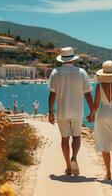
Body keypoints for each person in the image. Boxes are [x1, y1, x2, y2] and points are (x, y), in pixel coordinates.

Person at [48, 47, 93, 176]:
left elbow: (52, 95)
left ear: (62, 59)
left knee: (64, 139)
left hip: (62, 112)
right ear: (73, 58)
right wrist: (92, 111)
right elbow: (88, 94)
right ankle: (74, 157)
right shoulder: (81, 72)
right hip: (77, 111)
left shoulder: (55, 72)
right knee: (77, 136)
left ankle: (68, 166)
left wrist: (50, 112)